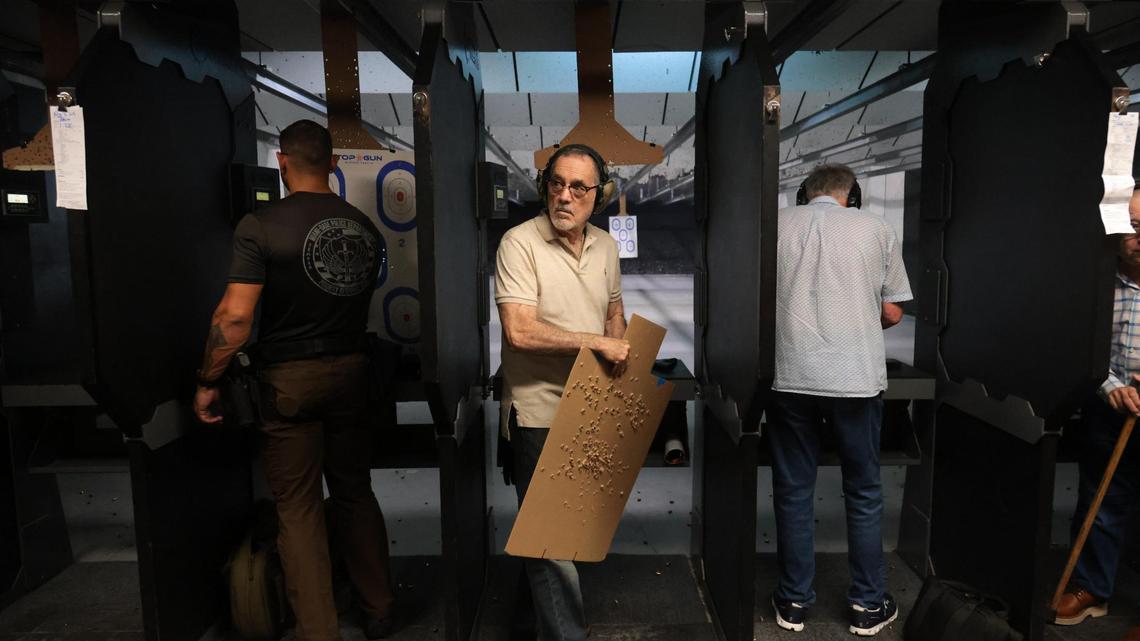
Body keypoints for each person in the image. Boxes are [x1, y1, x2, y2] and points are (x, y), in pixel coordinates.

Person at [193, 119, 394, 640]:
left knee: (300, 510)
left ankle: (319, 632)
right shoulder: (363, 227)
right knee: (354, 492)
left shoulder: (259, 227)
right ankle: (379, 609)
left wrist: (208, 378)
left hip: (288, 384)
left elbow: (235, 319)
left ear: (282, 162)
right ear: (332, 164)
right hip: (353, 375)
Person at [767, 164, 912, 636]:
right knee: (865, 492)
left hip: (789, 377)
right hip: (856, 381)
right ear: (853, 194)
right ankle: (868, 605)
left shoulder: (776, 226)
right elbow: (892, 310)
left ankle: (793, 603)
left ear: (804, 195)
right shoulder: (877, 228)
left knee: (793, 491)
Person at [495, 143, 630, 641]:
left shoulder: (606, 247)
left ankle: (551, 619)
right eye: (556, 183)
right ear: (543, 187)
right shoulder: (519, 243)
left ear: (600, 194)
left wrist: (615, 339)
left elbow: (614, 308)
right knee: (549, 543)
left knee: (570, 530)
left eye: (579, 187)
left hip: (588, 408)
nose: (565, 196)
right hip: (537, 412)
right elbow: (520, 331)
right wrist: (595, 343)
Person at [1054, 187, 1140, 641]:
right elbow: (1081, 346)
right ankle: (1093, 589)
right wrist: (1109, 386)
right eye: (1134, 227)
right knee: (1101, 502)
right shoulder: (1098, 282)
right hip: (1110, 411)